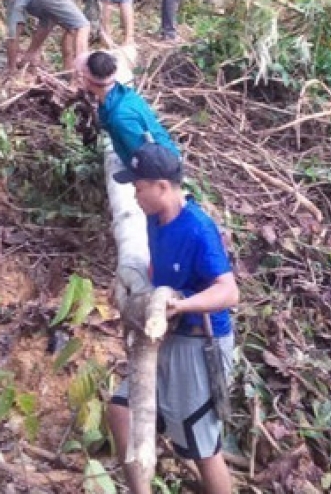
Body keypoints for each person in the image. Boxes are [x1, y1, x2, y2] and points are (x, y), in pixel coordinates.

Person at [106, 143, 239, 494]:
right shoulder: (154, 219)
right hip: (164, 336)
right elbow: (159, 266)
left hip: (198, 344)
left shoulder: (198, 228)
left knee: (201, 447)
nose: (135, 196)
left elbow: (228, 292)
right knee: (121, 412)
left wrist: (183, 306)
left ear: (162, 187)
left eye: (139, 188)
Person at [20, 0, 144, 72]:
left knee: (52, 23)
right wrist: (107, 42)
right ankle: (82, 71)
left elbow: (95, 15)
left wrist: (106, 39)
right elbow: (92, 19)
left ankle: (29, 58)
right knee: (82, 26)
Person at [76, 51, 179, 166]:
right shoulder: (122, 95)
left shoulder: (121, 118)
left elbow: (146, 158)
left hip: (161, 166)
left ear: (87, 79)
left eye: (80, 75)